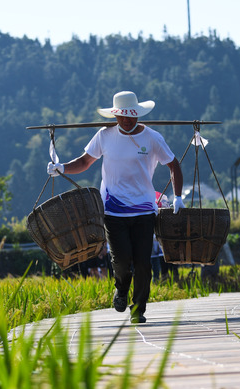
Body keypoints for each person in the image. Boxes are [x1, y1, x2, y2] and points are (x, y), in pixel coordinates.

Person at [47, 91, 184, 324]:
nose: (127, 120)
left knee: (143, 263)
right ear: (115, 115)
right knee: (120, 260)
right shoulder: (104, 136)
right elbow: (84, 162)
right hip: (113, 210)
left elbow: (174, 165)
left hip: (144, 211)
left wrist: (178, 196)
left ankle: (138, 310)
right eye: (122, 116)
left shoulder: (152, 138)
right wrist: (62, 168)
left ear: (138, 114)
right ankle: (121, 290)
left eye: (131, 116)